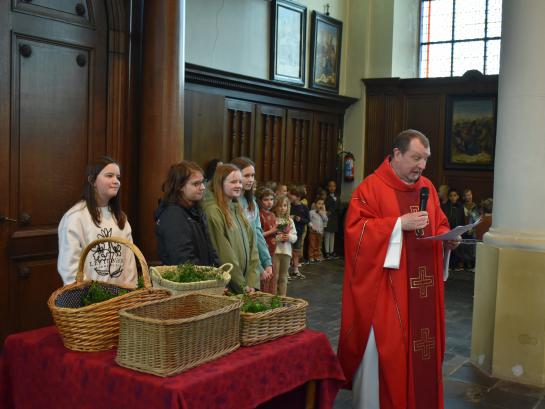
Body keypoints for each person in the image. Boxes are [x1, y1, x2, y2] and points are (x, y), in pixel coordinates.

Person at [338, 130, 460, 409]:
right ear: (396, 154)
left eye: (425, 159)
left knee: (423, 353)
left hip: (423, 291)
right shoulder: (370, 188)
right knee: (389, 355)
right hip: (387, 292)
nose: (421, 166)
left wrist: (448, 239)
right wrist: (397, 225)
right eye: (415, 158)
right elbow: (356, 233)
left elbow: (438, 222)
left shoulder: (426, 187)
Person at [57, 156, 137, 286]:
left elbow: (129, 264)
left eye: (118, 177)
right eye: (109, 175)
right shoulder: (75, 217)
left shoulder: (120, 218)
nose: (116, 181)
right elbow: (69, 268)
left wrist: (129, 293)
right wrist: (89, 297)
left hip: (121, 300)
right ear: (92, 180)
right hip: (89, 301)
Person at [203, 163, 259, 294]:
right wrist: (242, 285)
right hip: (231, 286)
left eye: (240, 181)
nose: (239, 185)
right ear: (220, 183)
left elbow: (253, 247)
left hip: (245, 285)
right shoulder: (213, 211)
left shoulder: (236, 208)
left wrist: (252, 282)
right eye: (233, 182)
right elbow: (225, 255)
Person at [154, 161, 220, 267]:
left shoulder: (195, 210)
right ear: (180, 186)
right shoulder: (173, 215)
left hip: (205, 280)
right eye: (196, 184)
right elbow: (183, 260)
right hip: (189, 281)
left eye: (203, 182)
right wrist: (207, 277)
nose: (203, 187)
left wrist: (218, 273)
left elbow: (211, 251)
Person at [231, 157, 273, 287]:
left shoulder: (252, 202)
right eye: (246, 175)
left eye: (253, 175)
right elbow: (240, 241)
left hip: (254, 262)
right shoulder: (232, 202)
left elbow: (257, 234)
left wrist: (267, 261)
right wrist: (259, 268)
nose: (251, 179)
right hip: (238, 263)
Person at [272, 195, 297, 296]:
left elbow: (295, 237)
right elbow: (271, 237)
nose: (282, 208)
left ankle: (283, 298)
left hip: (286, 252)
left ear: (288, 207)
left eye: (285, 205)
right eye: (280, 206)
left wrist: (289, 237)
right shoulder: (273, 219)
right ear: (275, 207)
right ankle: (273, 299)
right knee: (275, 277)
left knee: (283, 278)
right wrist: (279, 238)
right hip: (276, 252)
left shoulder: (290, 221)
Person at [256, 186, 277, 293]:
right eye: (266, 199)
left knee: (272, 278)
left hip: (272, 251)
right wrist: (273, 231)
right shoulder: (259, 214)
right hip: (263, 254)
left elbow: (274, 233)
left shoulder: (273, 214)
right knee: (264, 279)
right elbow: (257, 235)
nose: (269, 202)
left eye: (271, 199)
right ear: (260, 201)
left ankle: (271, 300)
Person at [288, 185, 309, 279]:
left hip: (298, 233)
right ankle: (286, 272)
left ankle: (296, 270)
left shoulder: (304, 207)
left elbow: (307, 220)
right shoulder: (289, 206)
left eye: (292, 194)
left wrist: (299, 219)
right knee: (288, 252)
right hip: (289, 233)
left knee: (296, 252)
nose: (290, 195)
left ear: (298, 196)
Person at [308, 197, 328, 262]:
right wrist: (312, 226)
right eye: (319, 203)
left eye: (322, 204)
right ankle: (311, 256)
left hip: (320, 231)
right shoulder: (311, 212)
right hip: (313, 231)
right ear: (315, 204)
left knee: (318, 245)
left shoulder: (323, 212)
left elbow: (326, 220)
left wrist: (322, 213)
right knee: (312, 244)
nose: (320, 205)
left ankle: (317, 256)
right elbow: (308, 221)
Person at [324, 179, 339, 259]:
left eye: (333, 186)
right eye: (330, 186)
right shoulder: (326, 196)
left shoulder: (337, 196)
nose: (332, 188)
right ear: (328, 187)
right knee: (327, 234)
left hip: (334, 217)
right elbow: (326, 205)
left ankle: (331, 251)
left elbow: (337, 206)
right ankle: (326, 251)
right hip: (328, 217)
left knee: (332, 235)